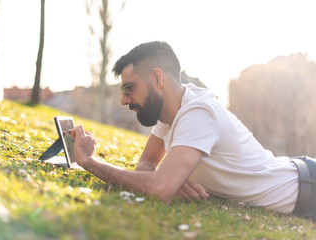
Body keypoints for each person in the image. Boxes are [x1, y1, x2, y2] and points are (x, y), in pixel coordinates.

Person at [68, 41, 315, 220]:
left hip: (307, 190)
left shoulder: (198, 113)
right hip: (300, 176)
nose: (124, 100)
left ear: (157, 79)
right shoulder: (171, 111)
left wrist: (90, 162)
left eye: (129, 88)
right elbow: (147, 164)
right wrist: (170, 179)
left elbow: (159, 190)